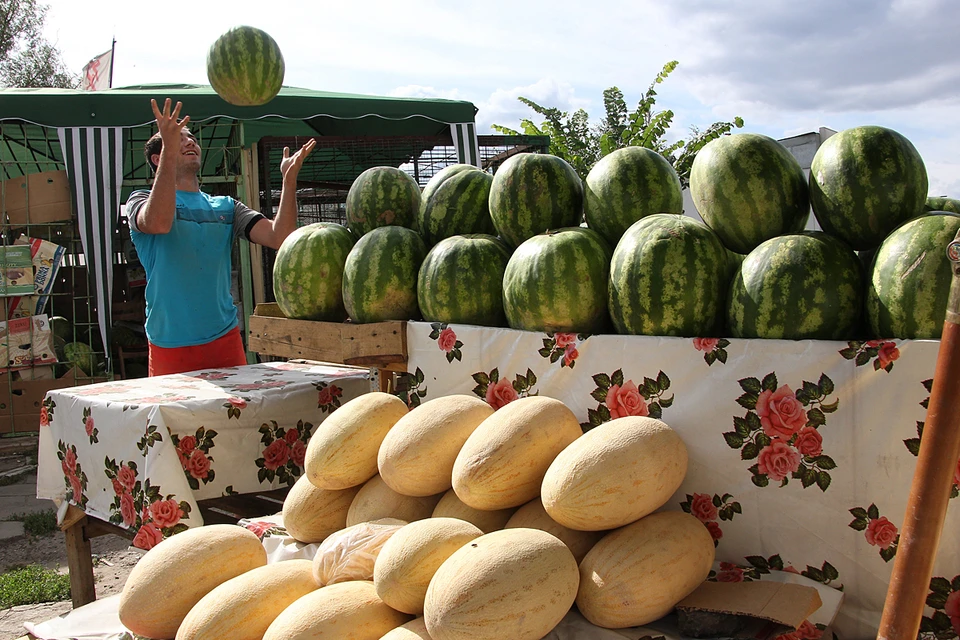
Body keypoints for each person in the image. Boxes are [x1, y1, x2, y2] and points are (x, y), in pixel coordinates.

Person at [126, 98, 316, 376]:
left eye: (191, 138)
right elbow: (158, 222)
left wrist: (288, 182)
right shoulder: (140, 200)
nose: (190, 142)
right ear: (158, 158)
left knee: (236, 419)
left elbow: (280, 237)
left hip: (224, 340)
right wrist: (168, 148)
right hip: (170, 344)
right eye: (179, 139)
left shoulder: (226, 206)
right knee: (176, 421)